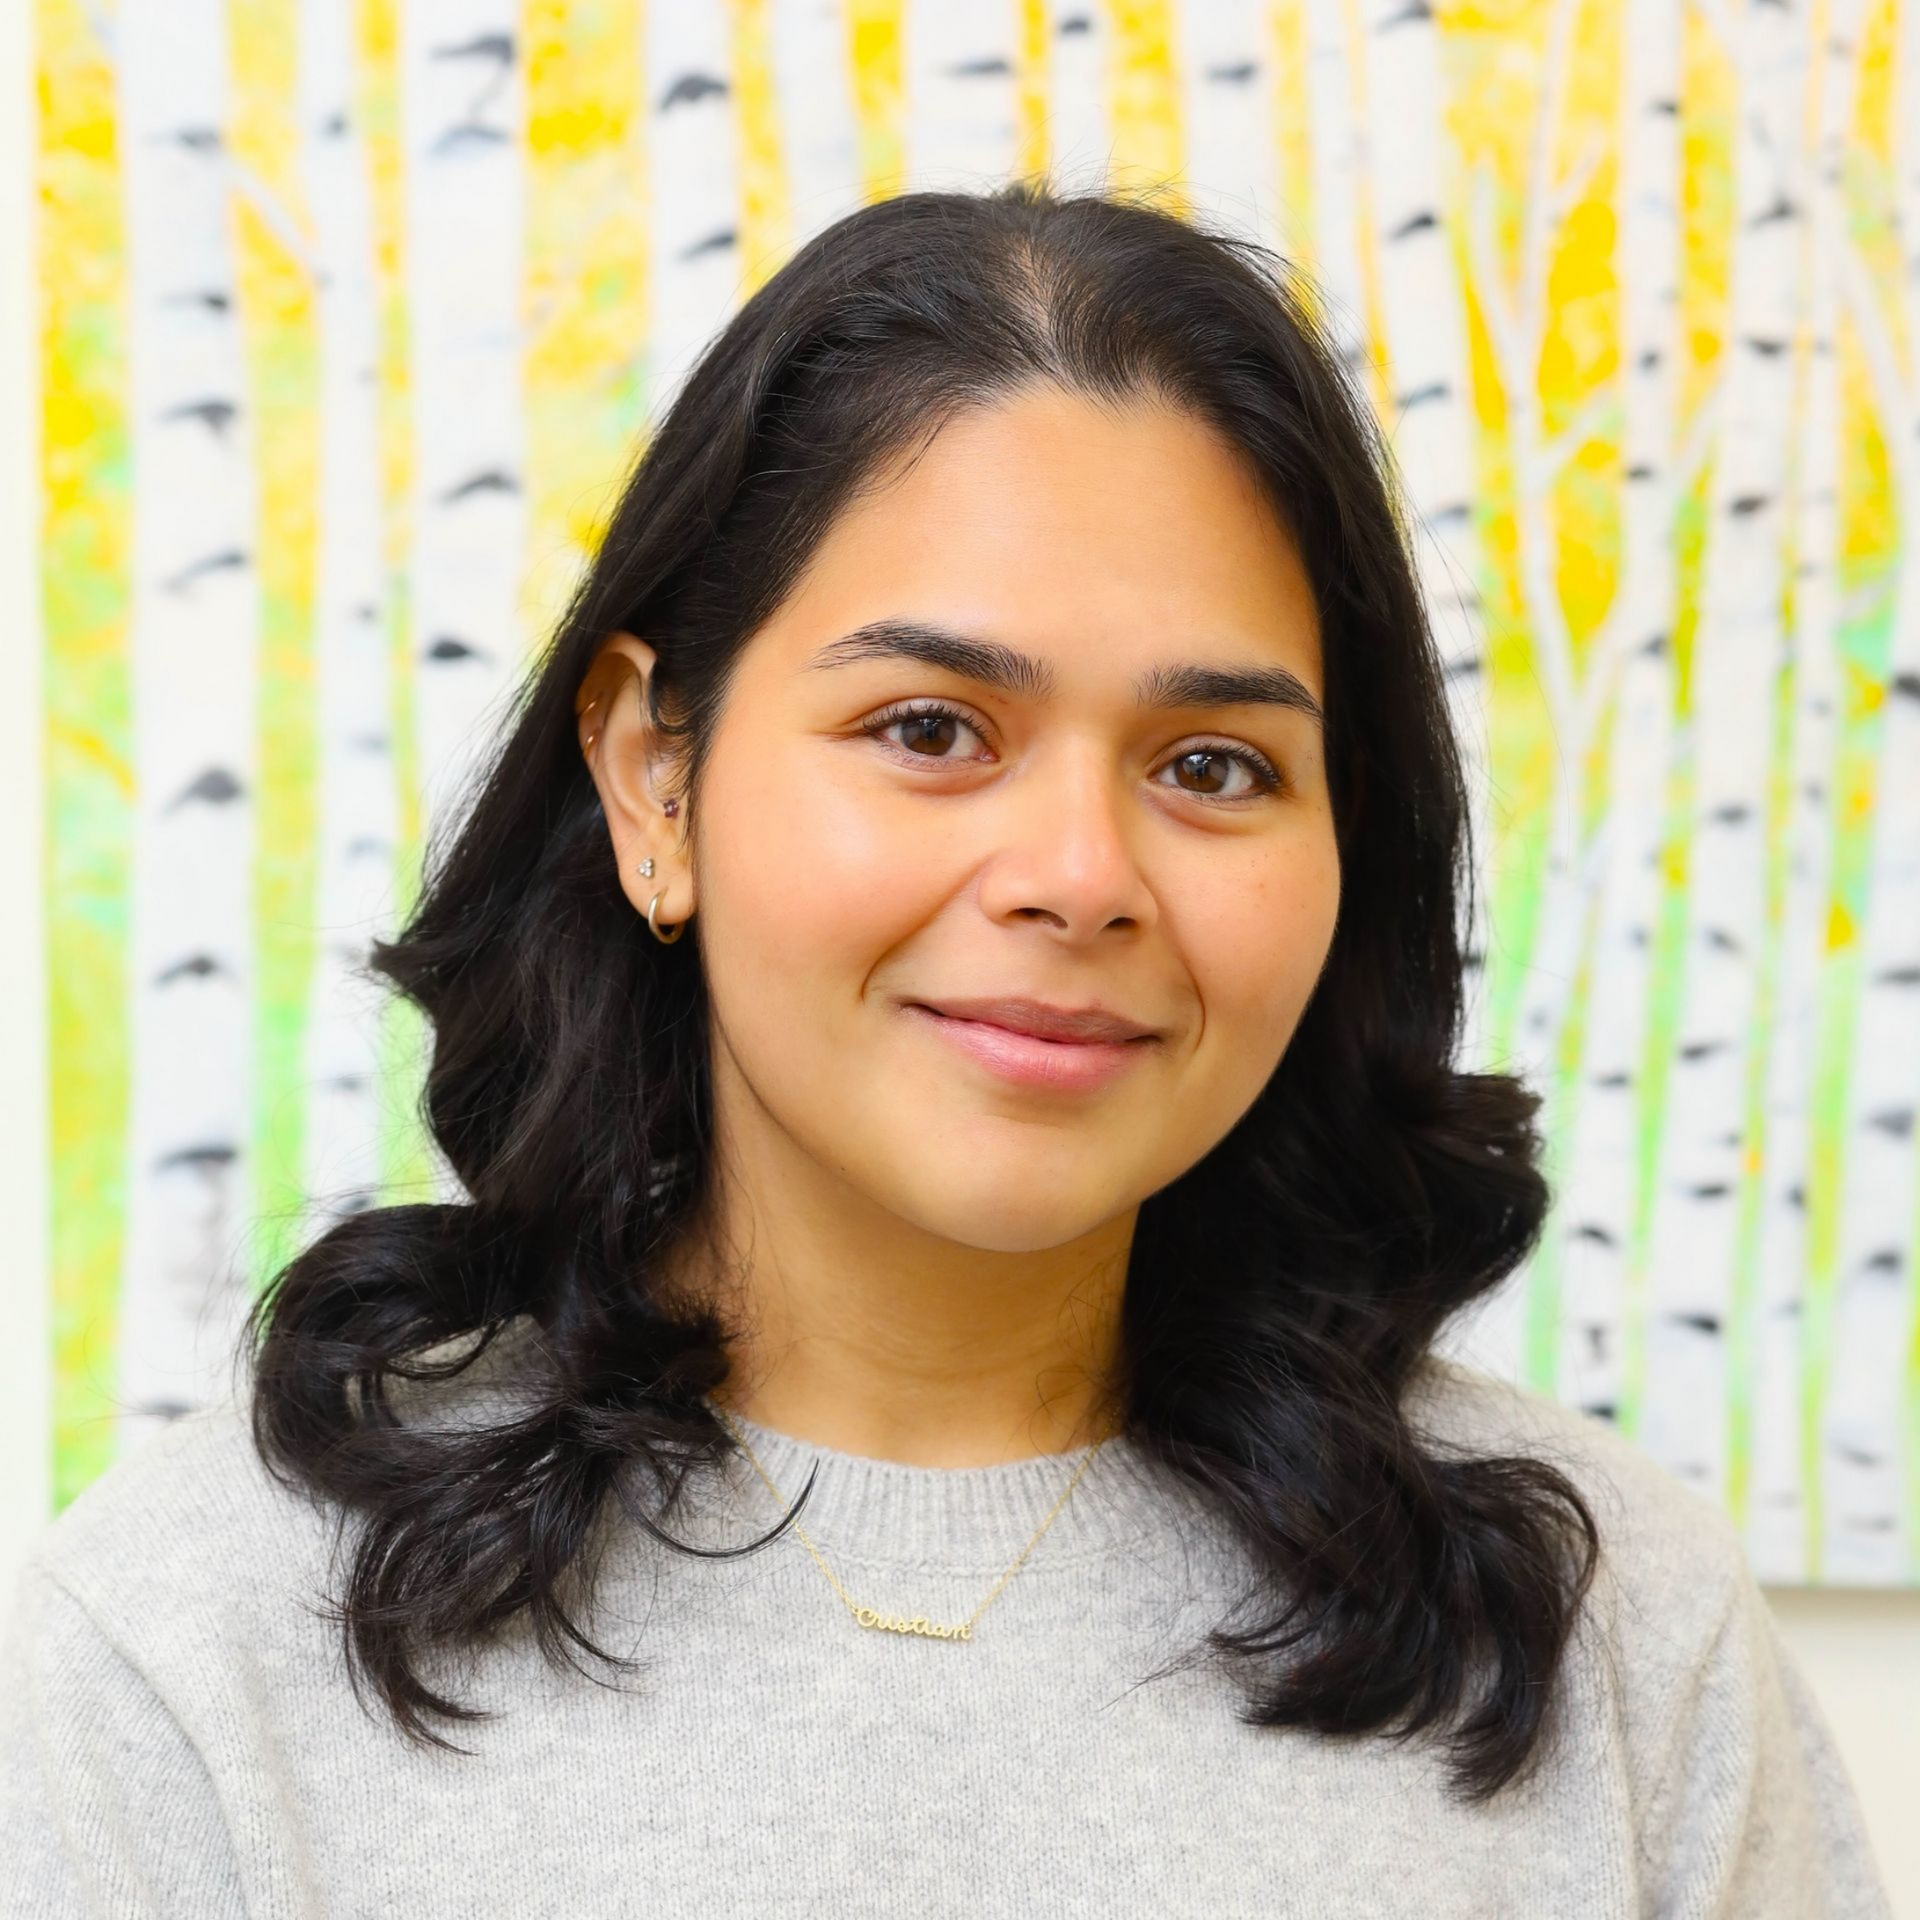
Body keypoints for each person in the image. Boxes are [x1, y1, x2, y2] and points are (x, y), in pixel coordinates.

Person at [0, 179, 1892, 1918]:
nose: (1080, 878)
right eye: (930, 729)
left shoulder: (1611, 1635)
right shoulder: (196, 1647)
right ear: (657, 773)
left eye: (1213, 767)